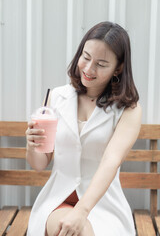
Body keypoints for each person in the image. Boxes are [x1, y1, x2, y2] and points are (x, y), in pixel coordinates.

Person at [26, 21, 141, 236]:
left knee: (81, 230)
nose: (88, 69)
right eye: (86, 57)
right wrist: (32, 145)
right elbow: (39, 164)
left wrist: (82, 211)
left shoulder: (128, 110)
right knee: (67, 229)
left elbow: (110, 162)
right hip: (57, 201)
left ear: (119, 67)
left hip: (102, 204)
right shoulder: (56, 97)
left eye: (101, 64)